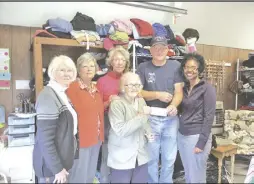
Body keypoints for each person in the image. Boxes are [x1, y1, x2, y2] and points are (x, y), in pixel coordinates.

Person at [137, 36, 184, 183]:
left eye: (162, 48)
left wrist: (173, 105)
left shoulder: (175, 65)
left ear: (167, 50)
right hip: (150, 119)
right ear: (150, 50)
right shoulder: (142, 68)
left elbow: (179, 92)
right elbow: (138, 92)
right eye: (155, 48)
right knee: (151, 158)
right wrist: (157, 94)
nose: (159, 51)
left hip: (170, 119)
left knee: (169, 159)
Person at [33, 55, 78, 183]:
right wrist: (57, 169)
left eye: (70, 70)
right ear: (53, 72)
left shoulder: (61, 93)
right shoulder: (48, 96)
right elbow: (45, 140)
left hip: (61, 163)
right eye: (62, 70)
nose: (66, 74)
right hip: (52, 169)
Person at [66, 53, 104, 183]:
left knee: (89, 174)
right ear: (78, 69)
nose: (89, 69)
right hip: (80, 140)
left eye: (92, 66)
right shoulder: (71, 88)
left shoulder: (95, 88)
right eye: (85, 66)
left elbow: (94, 111)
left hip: (96, 138)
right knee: (78, 176)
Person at [108, 72, 152, 183]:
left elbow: (146, 123)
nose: (134, 88)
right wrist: (141, 116)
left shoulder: (141, 101)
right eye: (130, 85)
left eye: (137, 85)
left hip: (140, 156)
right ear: (123, 86)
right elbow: (121, 130)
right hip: (122, 157)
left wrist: (149, 133)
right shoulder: (116, 104)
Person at [178, 53, 216, 183]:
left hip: (197, 137)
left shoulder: (207, 88)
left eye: (193, 67)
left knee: (197, 178)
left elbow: (209, 116)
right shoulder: (184, 88)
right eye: (186, 67)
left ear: (199, 69)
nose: (189, 70)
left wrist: (201, 142)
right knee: (189, 174)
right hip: (182, 136)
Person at [96, 46, 130, 183]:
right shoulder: (102, 81)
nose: (120, 62)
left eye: (122, 60)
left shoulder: (129, 80)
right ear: (111, 62)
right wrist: (109, 101)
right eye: (116, 59)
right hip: (108, 124)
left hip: (127, 124)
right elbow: (97, 108)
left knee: (123, 158)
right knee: (107, 157)